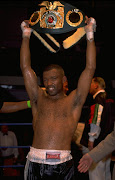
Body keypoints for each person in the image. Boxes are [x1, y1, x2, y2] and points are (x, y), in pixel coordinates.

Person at [20, 16, 96, 180]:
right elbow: (25, 67)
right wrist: (26, 35)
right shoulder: (38, 97)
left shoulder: (73, 101)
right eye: (46, 79)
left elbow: (90, 68)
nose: (48, 83)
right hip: (35, 161)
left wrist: (90, 34)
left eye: (53, 78)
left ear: (64, 80)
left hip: (63, 164)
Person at [80, 77, 115, 180]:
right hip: (108, 142)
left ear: (96, 85)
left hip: (98, 143)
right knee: (106, 172)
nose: (88, 86)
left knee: (95, 173)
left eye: (90, 83)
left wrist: (91, 140)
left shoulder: (98, 100)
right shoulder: (110, 99)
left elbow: (95, 120)